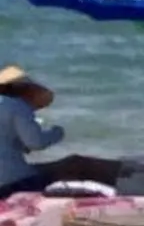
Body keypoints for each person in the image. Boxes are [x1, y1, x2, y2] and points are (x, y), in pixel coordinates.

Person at [0, 67, 117, 195]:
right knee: (75, 164)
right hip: (14, 183)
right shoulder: (16, 106)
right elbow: (36, 143)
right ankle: (124, 188)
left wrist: (20, 145)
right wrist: (57, 132)